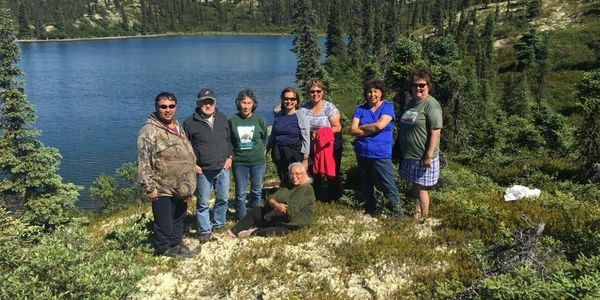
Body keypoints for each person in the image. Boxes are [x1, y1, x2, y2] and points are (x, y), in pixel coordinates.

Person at [137, 92, 196, 258]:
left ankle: (175, 244)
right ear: (157, 108)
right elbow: (143, 161)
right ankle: (163, 248)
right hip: (162, 186)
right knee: (164, 222)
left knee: (178, 217)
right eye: (163, 107)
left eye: (171, 106)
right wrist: (149, 188)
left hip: (181, 185)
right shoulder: (149, 130)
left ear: (176, 108)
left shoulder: (177, 125)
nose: (168, 110)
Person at [183, 88, 233, 243]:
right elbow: (185, 147)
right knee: (203, 202)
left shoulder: (222, 118)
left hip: (222, 167)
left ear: (214, 103)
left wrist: (230, 156)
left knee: (223, 198)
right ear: (198, 103)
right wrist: (193, 165)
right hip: (203, 170)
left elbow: (229, 140)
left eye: (210, 102)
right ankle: (205, 229)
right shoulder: (190, 123)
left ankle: (218, 223)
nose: (207, 105)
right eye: (204, 102)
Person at [219, 162, 315, 238]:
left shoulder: (306, 188)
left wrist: (270, 214)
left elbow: (288, 210)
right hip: (278, 218)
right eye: (292, 174)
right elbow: (270, 198)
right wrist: (276, 205)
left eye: (298, 174)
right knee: (256, 211)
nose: (294, 177)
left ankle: (252, 232)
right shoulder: (288, 185)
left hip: (292, 224)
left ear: (304, 174)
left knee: (267, 232)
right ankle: (231, 232)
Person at [350, 80, 403, 217]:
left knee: (387, 184)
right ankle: (370, 210)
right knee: (366, 184)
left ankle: (397, 213)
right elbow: (352, 130)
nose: (372, 94)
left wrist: (361, 128)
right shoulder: (360, 109)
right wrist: (371, 128)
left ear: (381, 93)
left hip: (380, 153)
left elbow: (380, 125)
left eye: (375, 91)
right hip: (362, 152)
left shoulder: (387, 107)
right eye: (369, 91)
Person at [396, 69, 443, 223]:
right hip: (411, 155)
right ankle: (417, 213)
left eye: (422, 85)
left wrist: (428, 155)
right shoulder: (412, 103)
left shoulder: (431, 105)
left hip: (423, 156)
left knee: (422, 188)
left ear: (428, 86)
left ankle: (424, 218)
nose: (418, 88)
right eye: (415, 85)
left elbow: (435, 131)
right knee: (416, 186)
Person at [229, 89, 268, 220]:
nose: (245, 106)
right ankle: (241, 218)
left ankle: (255, 217)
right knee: (240, 193)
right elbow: (229, 141)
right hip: (240, 162)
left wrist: (262, 151)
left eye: (248, 103)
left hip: (258, 162)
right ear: (238, 103)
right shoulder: (233, 120)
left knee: (256, 192)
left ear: (253, 104)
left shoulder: (259, 120)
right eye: (243, 102)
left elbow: (264, 138)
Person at [302, 79, 343, 202]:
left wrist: (318, 133)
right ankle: (317, 197)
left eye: (318, 91)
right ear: (308, 93)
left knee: (332, 171)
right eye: (312, 91)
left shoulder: (329, 107)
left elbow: (337, 127)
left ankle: (333, 198)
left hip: (330, 145)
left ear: (323, 92)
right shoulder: (304, 109)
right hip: (313, 145)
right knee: (314, 172)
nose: (315, 94)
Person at [266, 87, 310, 186]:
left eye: (292, 99)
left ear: (296, 100)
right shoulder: (279, 116)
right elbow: (273, 135)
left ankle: (299, 200)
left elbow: (306, 138)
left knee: (297, 180)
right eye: (286, 99)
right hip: (279, 153)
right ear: (282, 100)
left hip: (295, 153)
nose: (289, 101)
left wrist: (305, 159)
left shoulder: (301, 116)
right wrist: (266, 149)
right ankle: (286, 199)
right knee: (284, 178)